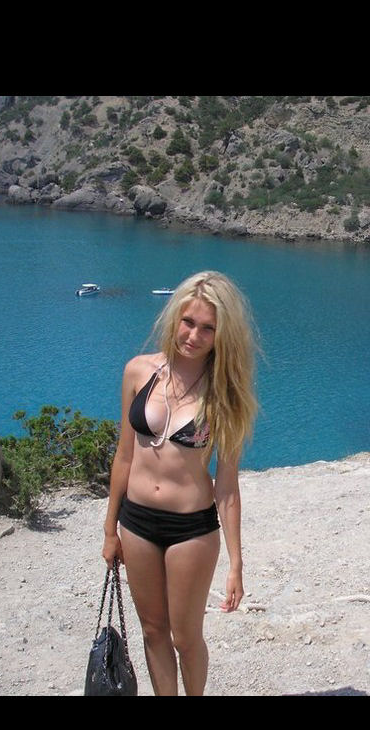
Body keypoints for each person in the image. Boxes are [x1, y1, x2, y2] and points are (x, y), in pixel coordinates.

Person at [102, 271, 258, 696]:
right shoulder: (138, 371)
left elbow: (227, 487)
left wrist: (236, 564)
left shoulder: (226, 394)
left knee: (185, 638)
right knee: (152, 631)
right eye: (188, 322)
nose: (194, 335)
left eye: (208, 328)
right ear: (174, 317)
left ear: (222, 334)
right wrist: (110, 529)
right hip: (136, 523)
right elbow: (124, 455)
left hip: (191, 529)